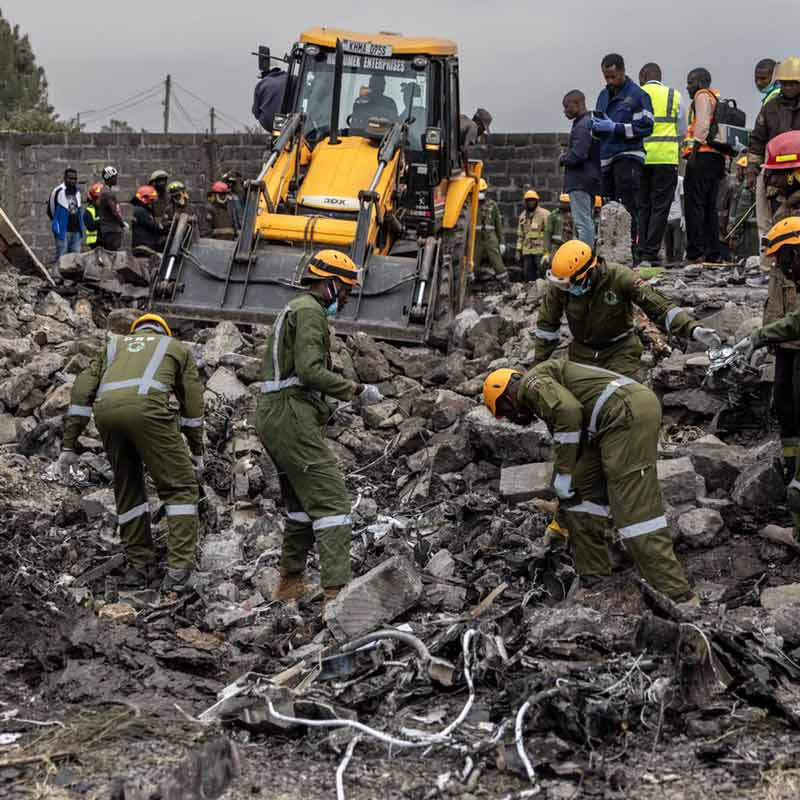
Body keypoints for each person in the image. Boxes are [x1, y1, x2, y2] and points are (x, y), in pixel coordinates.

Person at [482, 365, 694, 602]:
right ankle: (597, 585)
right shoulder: (545, 399)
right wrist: (559, 524)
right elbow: (574, 455)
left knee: (633, 515)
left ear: (506, 396)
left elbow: (569, 413)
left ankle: (679, 596)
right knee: (580, 493)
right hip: (610, 421)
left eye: (504, 411)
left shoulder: (530, 385)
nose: (510, 418)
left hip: (624, 413)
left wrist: (563, 473)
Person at [254, 250, 384, 604]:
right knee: (332, 501)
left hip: (276, 415)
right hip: (289, 415)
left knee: (300, 504)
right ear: (329, 284)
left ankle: (290, 583)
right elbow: (310, 371)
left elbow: (295, 377)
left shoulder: (295, 308)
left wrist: (324, 408)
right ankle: (336, 594)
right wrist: (355, 391)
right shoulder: (310, 311)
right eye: (346, 290)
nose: (347, 298)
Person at [57, 313, 204, 593]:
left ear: (136, 330)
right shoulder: (174, 347)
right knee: (181, 488)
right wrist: (197, 451)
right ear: (164, 331)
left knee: (128, 487)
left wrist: (69, 444)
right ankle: (177, 574)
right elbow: (192, 405)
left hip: (106, 414)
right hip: (149, 411)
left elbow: (81, 390)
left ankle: (139, 565)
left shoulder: (113, 345)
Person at [534, 240, 720, 378]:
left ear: (588, 272)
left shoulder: (620, 277)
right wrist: (538, 365)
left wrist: (692, 329)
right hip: (582, 352)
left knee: (621, 395)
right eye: (563, 285)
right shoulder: (561, 286)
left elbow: (659, 307)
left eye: (569, 285)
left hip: (620, 350)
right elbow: (547, 325)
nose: (567, 289)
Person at [735, 218, 800, 503]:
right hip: (784, 344)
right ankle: (792, 467)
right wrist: (765, 338)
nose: (780, 265)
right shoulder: (783, 271)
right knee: (784, 406)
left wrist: (758, 337)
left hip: (794, 342)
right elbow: (776, 311)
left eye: (783, 258)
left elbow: (796, 321)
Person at [593, 54, 655, 263]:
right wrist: (597, 128)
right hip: (607, 158)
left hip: (628, 155)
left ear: (622, 71)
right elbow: (599, 123)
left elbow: (646, 126)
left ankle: (632, 253)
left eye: (613, 76)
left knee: (628, 206)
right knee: (608, 208)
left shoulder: (638, 95)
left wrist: (616, 128)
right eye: (606, 77)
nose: (610, 81)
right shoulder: (603, 96)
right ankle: (610, 257)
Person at [748, 58, 800, 272]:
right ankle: (768, 267)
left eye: (793, 83)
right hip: (774, 174)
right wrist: (752, 170)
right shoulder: (770, 108)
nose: (788, 87)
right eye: (784, 83)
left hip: (798, 172)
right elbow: (757, 141)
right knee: (767, 221)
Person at [638, 63, 684, 268]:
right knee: (660, 207)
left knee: (643, 206)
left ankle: (642, 251)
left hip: (641, 158)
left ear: (643, 76)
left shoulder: (637, 94)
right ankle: (650, 253)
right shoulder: (674, 95)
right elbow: (682, 129)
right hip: (666, 158)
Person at [682, 68, 726, 265]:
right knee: (709, 206)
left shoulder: (702, 96)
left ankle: (695, 252)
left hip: (702, 156)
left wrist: (694, 151)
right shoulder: (715, 98)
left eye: (690, 82)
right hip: (716, 158)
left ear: (700, 82)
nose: (688, 87)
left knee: (694, 205)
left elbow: (702, 126)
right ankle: (712, 252)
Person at [560, 90, 601, 247]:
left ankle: (585, 256)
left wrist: (563, 158)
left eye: (567, 106)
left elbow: (578, 155)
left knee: (582, 222)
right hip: (588, 179)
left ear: (577, 104)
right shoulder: (588, 122)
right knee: (585, 221)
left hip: (579, 181)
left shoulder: (582, 125)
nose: (565, 111)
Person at [474, 179, 508, 283]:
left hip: (490, 237)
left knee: (497, 262)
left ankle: (504, 282)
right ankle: (469, 285)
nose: (480, 194)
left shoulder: (492, 205)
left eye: (482, 191)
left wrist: (502, 242)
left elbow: (498, 225)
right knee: (472, 263)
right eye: (478, 191)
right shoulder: (471, 204)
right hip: (476, 238)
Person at [47, 168, 83, 261]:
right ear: (65, 178)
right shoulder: (58, 191)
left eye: (75, 179)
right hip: (63, 231)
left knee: (76, 260)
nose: (73, 181)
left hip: (76, 231)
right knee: (62, 259)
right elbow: (51, 208)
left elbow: (79, 209)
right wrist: (57, 222)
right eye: (70, 178)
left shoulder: (77, 191)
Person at [729, 156, 759, 260]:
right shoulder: (752, 185)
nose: (737, 173)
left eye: (739, 169)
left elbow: (741, 212)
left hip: (748, 232)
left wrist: (734, 233)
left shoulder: (746, 188)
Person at [515, 190, 550, 280]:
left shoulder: (544, 214)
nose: (530, 202)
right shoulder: (523, 216)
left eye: (533, 200)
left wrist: (547, 251)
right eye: (528, 200)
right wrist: (518, 250)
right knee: (528, 275)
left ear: (537, 201)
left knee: (543, 272)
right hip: (527, 250)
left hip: (540, 250)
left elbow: (549, 232)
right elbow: (520, 235)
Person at [97, 166, 125, 251]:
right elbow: (114, 211)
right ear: (109, 177)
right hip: (111, 230)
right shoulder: (108, 193)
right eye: (115, 177)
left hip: (107, 230)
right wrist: (122, 224)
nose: (116, 179)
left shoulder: (103, 191)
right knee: (112, 254)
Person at [131, 185, 164, 257]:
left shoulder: (142, 209)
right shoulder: (141, 211)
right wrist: (162, 227)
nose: (152, 202)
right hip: (144, 247)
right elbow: (153, 226)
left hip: (144, 246)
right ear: (145, 198)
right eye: (151, 200)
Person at [252, 65, 288, 133]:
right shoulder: (293, 78)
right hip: (291, 122)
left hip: (275, 125)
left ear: (265, 72)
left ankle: (277, 135)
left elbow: (255, 112)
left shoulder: (262, 83)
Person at [543, 194, 574, 266]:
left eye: (567, 203)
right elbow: (548, 233)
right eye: (563, 203)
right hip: (556, 246)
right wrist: (546, 252)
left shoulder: (575, 215)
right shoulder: (554, 215)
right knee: (555, 265)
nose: (565, 205)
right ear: (560, 202)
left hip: (571, 246)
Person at [717, 159, 738, 261]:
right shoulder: (711, 180)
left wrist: (730, 226)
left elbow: (732, 208)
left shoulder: (731, 184)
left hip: (723, 230)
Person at [664, 175, 685, 264]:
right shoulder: (663, 179)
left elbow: (682, 198)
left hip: (677, 215)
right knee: (668, 244)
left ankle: (678, 261)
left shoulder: (680, 180)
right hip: (666, 216)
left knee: (677, 245)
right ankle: (669, 262)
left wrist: (683, 215)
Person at [83, 182, 103, 251]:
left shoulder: (102, 209)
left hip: (103, 241)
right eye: (98, 198)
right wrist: (100, 220)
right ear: (93, 199)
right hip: (94, 243)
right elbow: (90, 227)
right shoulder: (88, 211)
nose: (100, 200)